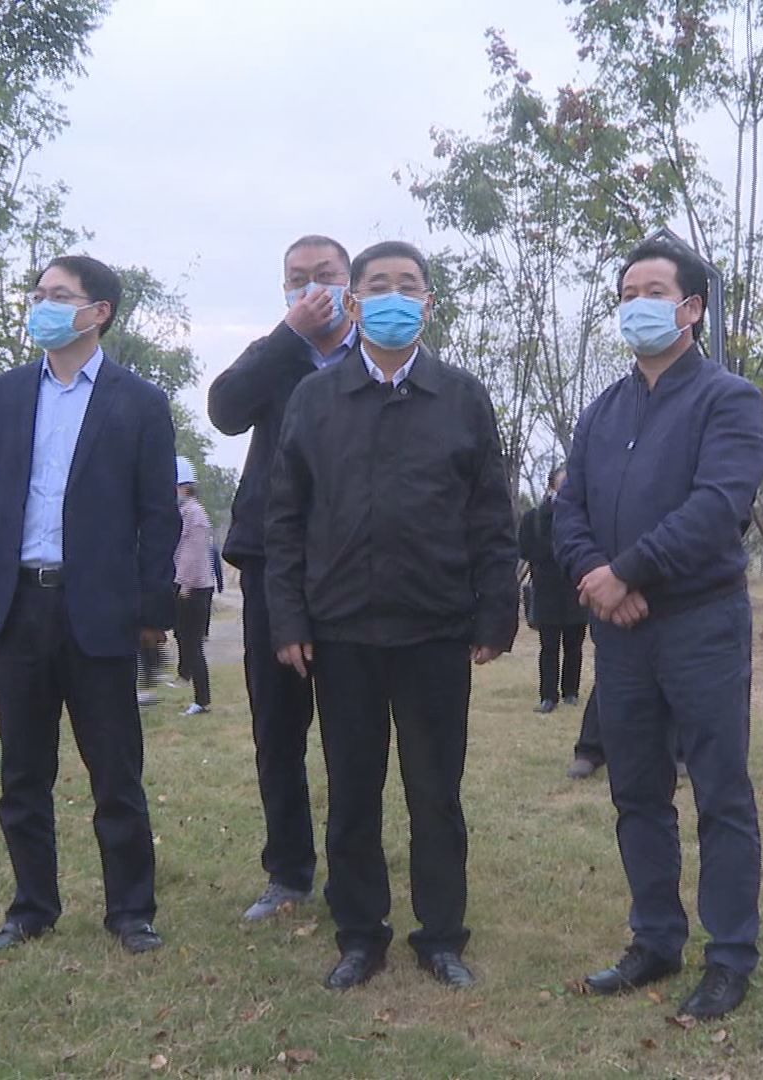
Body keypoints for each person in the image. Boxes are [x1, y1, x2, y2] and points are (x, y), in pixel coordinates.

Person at [265, 240, 518, 992]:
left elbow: (490, 515)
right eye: (379, 285)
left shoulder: (462, 397)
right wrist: (289, 619)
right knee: (351, 791)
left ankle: (440, 936)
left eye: (409, 285)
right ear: (354, 301)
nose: (394, 296)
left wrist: (495, 613)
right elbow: (285, 518)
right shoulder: (315, 399)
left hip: (435, 629)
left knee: (436, 792)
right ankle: (359, 933)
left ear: (428, 303)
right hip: (341, 631)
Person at [556, 237, 763, 1021]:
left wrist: (630, 571)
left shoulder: (728, 400)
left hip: (700, 623)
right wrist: (598, 578)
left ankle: (730, 954)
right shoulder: (602, 411)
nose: (636, 306)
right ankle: (655, 938)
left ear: (691, 309)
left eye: (653, 292)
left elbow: (718, 506)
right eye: (626, 294)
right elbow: (568, 509)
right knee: (637, 789)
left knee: (720, 791)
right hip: (620, 634)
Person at [0, 254, 179, 957]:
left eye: (58, 295)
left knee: (115, 773)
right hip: (17, 605)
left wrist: (151, 609)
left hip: (99, 611)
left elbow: (157, 516)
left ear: (97, 312)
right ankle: (31, 908)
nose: (41, 305)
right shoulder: (8, 393)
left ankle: (130, 912)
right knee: (23, 773)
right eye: (38, 293)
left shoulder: (139, 402)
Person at [208, 235, 355, 923]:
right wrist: (286, 336)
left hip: (355, 565)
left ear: (351, 283)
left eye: (326, 275)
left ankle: (354, 869)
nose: (313, 287)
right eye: (298, 278)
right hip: (273, 562)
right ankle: (288, 871)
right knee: (277, 725)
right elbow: (224, 411)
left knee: (353, 727)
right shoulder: (274, 356)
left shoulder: (373, 358)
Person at [519, 466, 587, 724]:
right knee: (548, 647)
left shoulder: (582, 516)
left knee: (574, 645)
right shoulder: (534, 518)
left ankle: (571, 691)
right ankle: (548, 695)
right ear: (551, 486)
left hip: (575, 589)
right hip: (547, 590)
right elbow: (525, 548)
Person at [172, 455, 215, 717]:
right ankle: (187, 678)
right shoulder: (185, 512)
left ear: (183, 487)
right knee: (184, 639)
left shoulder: (194, 514)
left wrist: (185, 584)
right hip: (186, 585)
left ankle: (202, 700)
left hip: (194, 588)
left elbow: (193, 553)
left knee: (193, 643)